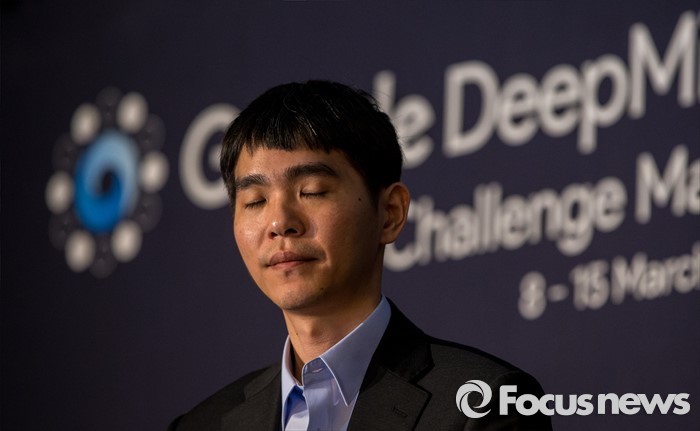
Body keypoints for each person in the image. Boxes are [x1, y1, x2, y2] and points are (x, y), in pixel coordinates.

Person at [169, 80, 552, 431]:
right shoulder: (201, 425)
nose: (279, 223)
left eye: (312, 191)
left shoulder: (486, 404)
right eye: (255, 200)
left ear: (390, 213)